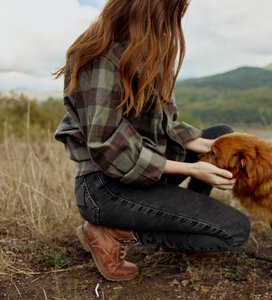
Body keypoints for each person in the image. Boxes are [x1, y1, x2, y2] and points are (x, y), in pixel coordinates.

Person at [54, 0, 250, 282]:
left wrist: (208, 146)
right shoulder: (101, 58)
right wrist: (193, 170)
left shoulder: (145, 51)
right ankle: (109, 231)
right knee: (235, 231)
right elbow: (108, 146)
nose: (179, 17)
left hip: (140, 172)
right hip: (104, 188)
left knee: (219, 134)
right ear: (153, 9)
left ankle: (179, 228)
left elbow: (166, 125)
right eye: (176, 10)